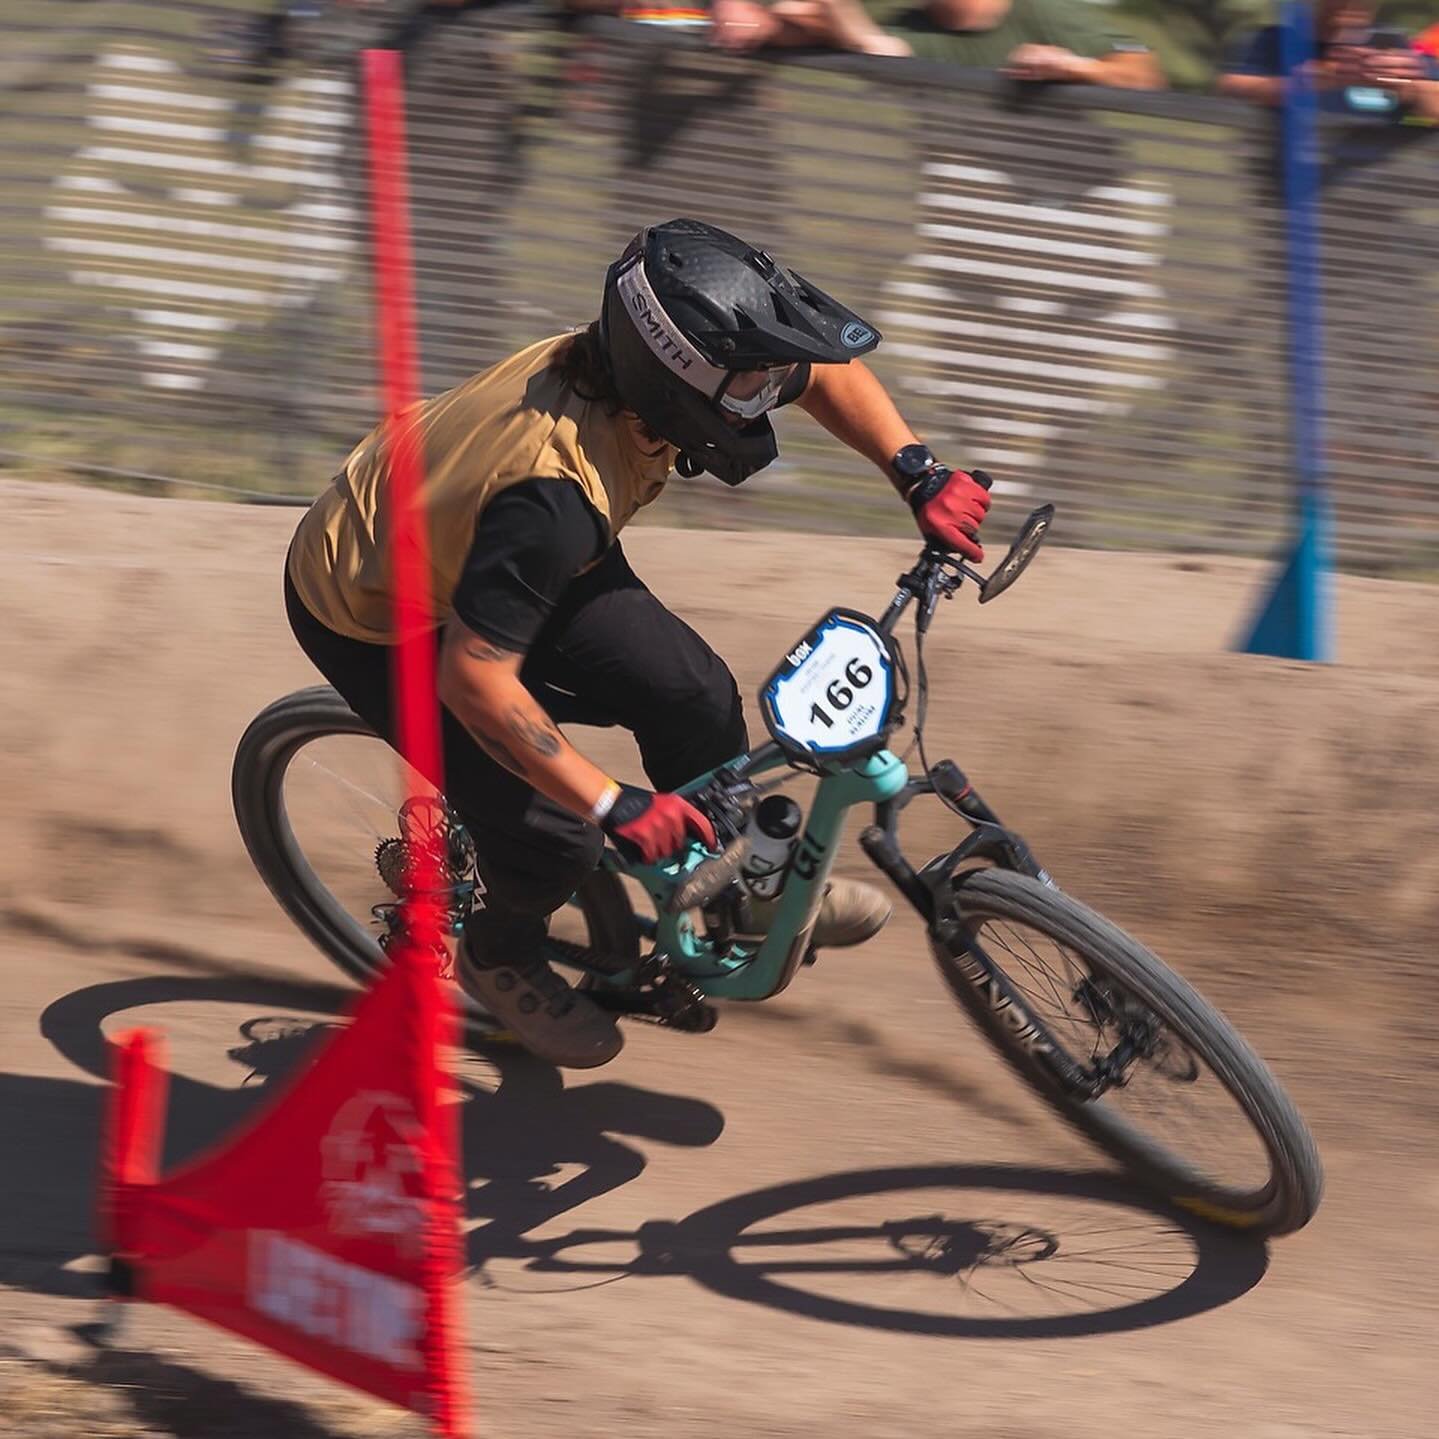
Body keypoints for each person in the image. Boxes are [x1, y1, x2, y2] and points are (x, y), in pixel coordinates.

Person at [285, 219, 992, 1068]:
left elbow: (822, 372)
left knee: (693, 696)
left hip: (486, 543)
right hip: (378, 604)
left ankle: (730, 891)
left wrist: (915, 471)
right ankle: (498, 950)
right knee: (556, 833)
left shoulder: (651, 372)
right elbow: (475, 683)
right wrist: (610, 801)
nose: (766, 396)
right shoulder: (550, 497)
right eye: (747, 389)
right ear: (676, 392)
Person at [760, 0, 1165, 86]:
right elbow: (872, 43)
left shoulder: (1045, 12)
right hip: (971, 211)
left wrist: (1079, 68)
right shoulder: (912, 24)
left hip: (1084, 210)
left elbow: (1146, 75)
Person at [1218, 1, 1439, 123]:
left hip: (1373, 196)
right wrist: (1324, 76)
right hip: (1282, 190)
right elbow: (1232, 88)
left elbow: (1431, 96)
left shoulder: (1394, 47)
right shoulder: (1274, 41)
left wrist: (1405, 87)